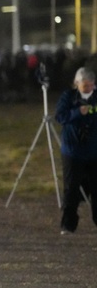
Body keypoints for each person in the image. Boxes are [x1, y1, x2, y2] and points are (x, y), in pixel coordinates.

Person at [55, 67, 97, 234]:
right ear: (77, 84)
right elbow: (60, 117)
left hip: (94, 151)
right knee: (71, 188)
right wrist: (77, 112)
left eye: (91, 85)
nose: (88, 88)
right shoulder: (68, 97)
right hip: (72, 151)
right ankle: (68, 223)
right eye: (84, 85)